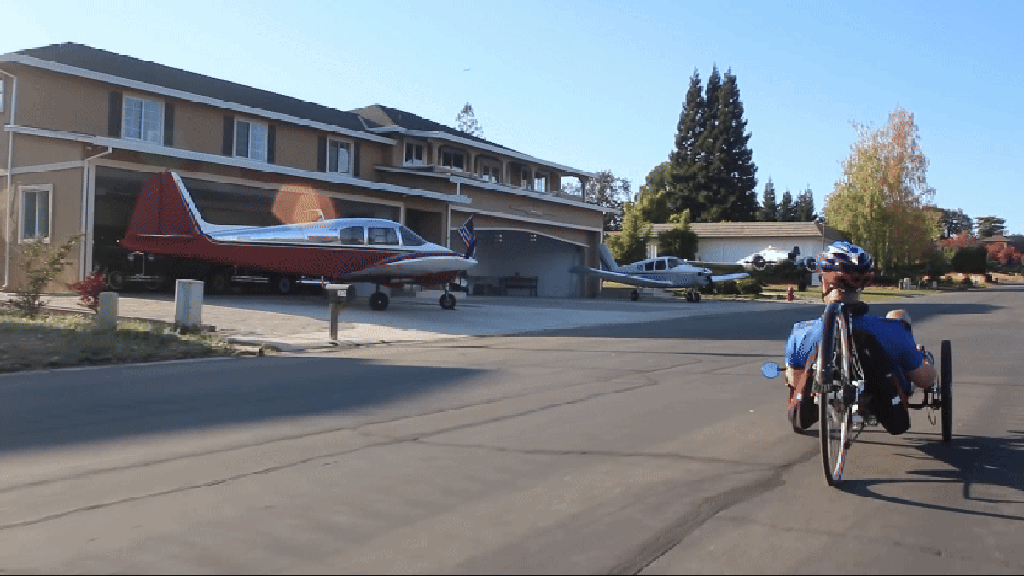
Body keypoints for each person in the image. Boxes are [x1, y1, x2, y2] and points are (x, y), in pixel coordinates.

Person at [784, 241, 936, 432]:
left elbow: (795, 381)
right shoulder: (893, 331)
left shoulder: (801, 333)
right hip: (885, 393)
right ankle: (920, 356)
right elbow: (924, 380)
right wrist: (924, 360)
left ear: (824, 281)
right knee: (899, 314)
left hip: (822, 387)